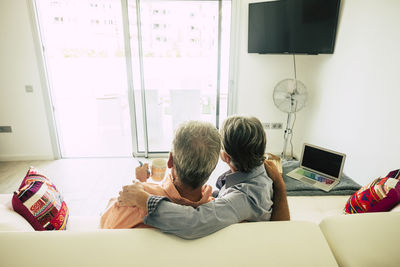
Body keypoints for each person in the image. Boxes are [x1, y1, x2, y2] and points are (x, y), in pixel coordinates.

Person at [118, 115, 290, 239]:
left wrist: (144, 200)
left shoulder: (241, 199)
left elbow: (193, 221)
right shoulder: (263, 171)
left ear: (226, 157)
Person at [100, 120, 221, 229]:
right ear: (213, 167)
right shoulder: (215, 212)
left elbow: (105, 225)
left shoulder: (134, 201)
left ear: (170, 160)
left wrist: (142, 185)